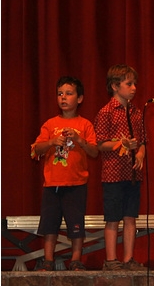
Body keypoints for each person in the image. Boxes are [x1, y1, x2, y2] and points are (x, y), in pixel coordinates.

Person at [30, 76, 98, 271]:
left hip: (76, 184)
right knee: (49, 225)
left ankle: (76, 259)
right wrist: (52, 142)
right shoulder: (50, 124)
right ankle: (48, 260)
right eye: (60, 94)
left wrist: (78, 139)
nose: (63, 98)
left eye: (69, 93)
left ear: (80, 98)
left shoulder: (85, 125)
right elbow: (36, 149)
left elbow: (94, 152)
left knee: (76, 225)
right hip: (52, 184)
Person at [94, 64, 146, 271]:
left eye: (135, 84)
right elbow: (100, 143)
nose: (134, 88)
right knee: (113, 218)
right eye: (129, 84)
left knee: (130, 217)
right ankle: (111, 259)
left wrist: (140, 153)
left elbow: (142, 141)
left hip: (132, 174)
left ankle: (128, 258)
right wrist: (120, 144)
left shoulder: (136, 112)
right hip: (113, 174)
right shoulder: (106, 112)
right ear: (115, 86)